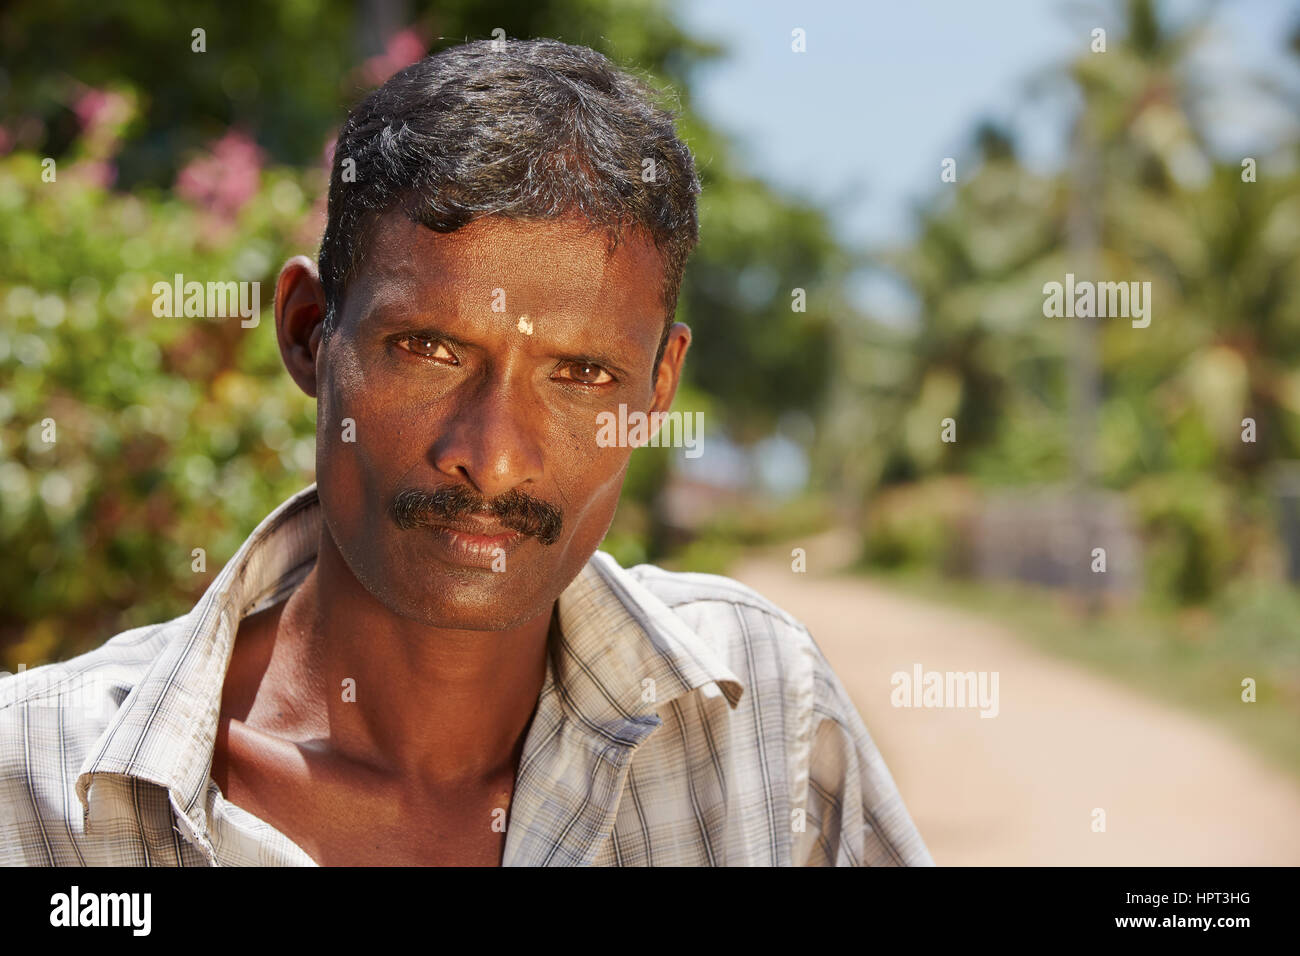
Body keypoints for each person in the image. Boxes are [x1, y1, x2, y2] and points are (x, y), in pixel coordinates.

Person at [0, 37, 932, 867]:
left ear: (658, 390)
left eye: (581, 375)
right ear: (308, 331)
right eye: (430, 351)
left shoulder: (759, 714)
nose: (491, 459)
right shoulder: (39, 788)